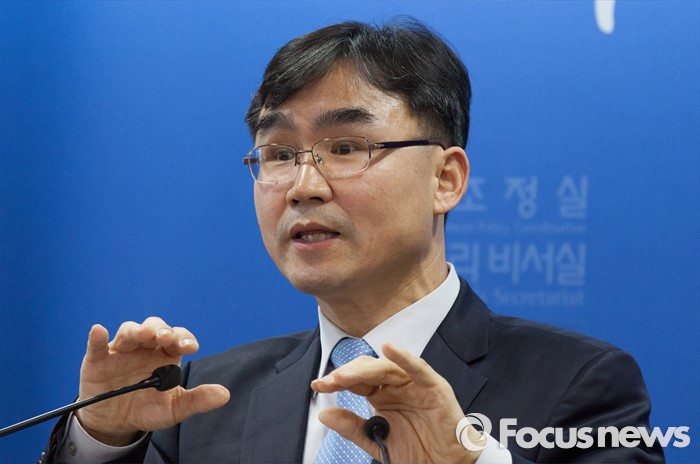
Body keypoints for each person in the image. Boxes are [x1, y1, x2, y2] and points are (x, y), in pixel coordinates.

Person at [42, 18, 664, 464]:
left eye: (345, 147)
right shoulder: (204, 396)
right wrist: (102, 439)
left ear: (445, 179)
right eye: (278, 154)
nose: (303, 186)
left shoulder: (581, 385)